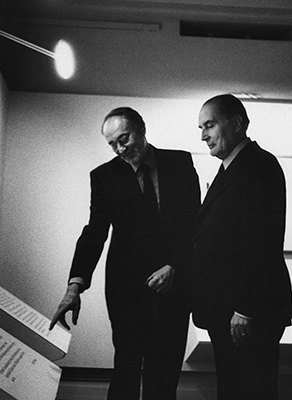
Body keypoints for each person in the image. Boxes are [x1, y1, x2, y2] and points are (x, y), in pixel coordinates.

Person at [49, 107, 201, 400]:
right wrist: (74, 285)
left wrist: (174, 266)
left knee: (165, 372)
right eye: (112, 144)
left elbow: (193, 223)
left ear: (141, 128)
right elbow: (95, 233)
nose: (120, 149)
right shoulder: (104, 177)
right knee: (126, 369)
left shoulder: (180, 163)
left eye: (124, 139)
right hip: (126, 290)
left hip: (175, 286)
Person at [190, 94, 292, 400]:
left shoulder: (260, 165)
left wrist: (245, 308)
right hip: (228, 309)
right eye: (201, 127)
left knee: (252, 390)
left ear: (235, 123)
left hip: (247, 311)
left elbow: (262, 242)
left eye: (210, 124)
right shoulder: (231, 168)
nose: (203, 135)